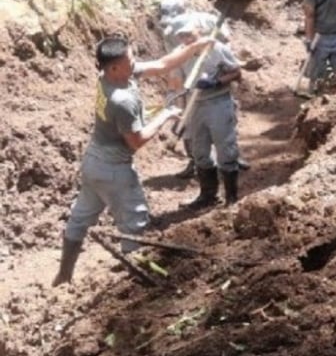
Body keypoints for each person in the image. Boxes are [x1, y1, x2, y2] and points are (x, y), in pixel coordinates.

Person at [52, 34, 215, 287]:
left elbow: (163, 65)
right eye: (130, 60)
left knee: (79, 218)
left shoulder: (111, 76)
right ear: (115, 67)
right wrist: (165, 116)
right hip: (114, 171)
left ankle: (63, 275)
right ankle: (133, 290)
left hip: (93, 164)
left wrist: (194, 47)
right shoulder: (122, 101)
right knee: (134, 225)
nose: (135, 61)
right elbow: (136, 142)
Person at [156, 0, 243, 179]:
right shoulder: (169, 32)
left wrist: (216, 57)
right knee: (187, 122)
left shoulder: (207, 20)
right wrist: (177, 95)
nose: (182, 37)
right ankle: (195, 161)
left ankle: (232, 156)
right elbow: (174, 66)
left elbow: (227, 42)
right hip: (187, 73)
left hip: (213, 67)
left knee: (224, 117)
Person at [173, 17, 244, 209]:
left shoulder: (216, 48)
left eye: (189, 34)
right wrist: (181, 115)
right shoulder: (180, 54)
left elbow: (237, 72)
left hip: (218, 102)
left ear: (199, 31)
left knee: (225, 149)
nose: (186, 39)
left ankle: (231, 198)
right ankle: (208, 196)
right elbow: (179, 86)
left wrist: (216, 82)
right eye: (181, 35)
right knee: (199, 152)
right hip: (195, 106)